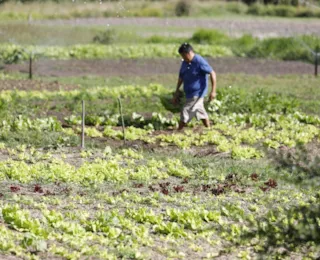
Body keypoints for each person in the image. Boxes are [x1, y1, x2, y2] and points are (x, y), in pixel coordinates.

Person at [172, 43, 217, 130]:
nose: (183, 58)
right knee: (200, 111)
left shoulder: (199, 61)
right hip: (189, 93)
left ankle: (178, 131)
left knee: (186, 110)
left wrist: (213, 91)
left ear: (188, 53)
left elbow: (212, 73)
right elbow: (181, 77)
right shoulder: (185, 62)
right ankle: (209, 129)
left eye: (184, 56)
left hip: (198, 93)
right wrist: (177, 91)